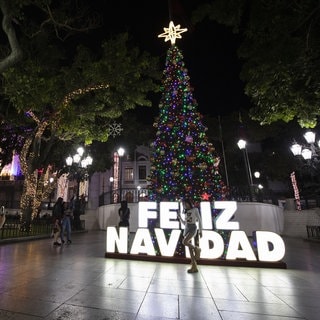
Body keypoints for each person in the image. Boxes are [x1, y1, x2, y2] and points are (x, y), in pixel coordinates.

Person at [177, 198, 202, 273]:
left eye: (185, 203)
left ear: (189, 203)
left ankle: (197, 249)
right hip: (186, 229)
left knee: (184, 242)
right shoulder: (186, 212)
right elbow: (185, 223)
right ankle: (194, 267)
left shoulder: (195, 209)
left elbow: (200, 220)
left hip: (192, 228)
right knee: (190, 250)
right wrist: (180, 218)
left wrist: (200, 231)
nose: (185, 205)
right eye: (183, 204)